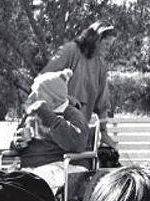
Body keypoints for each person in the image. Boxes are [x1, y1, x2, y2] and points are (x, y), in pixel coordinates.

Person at [9, 68, 90, 192]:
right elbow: (14, 146)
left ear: (53, 97)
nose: (32, 97)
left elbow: (77, 143)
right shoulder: (32, 115)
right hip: (30, 168)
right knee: (4, 182)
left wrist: (48, 116)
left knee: (36, 182)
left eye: (38, 93)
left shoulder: (72, 114)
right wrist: (17, 143)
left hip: (62, 166)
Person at [42, 21, 118, 150]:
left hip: (77, 135)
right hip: (52, 132)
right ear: (96, 39)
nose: (108, 48)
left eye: (111, 45)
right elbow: (44, 82)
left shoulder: (100, 66)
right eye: (106, 44)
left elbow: (102, 105)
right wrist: (66, 99)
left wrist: (104, 133)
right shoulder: (70, 51)